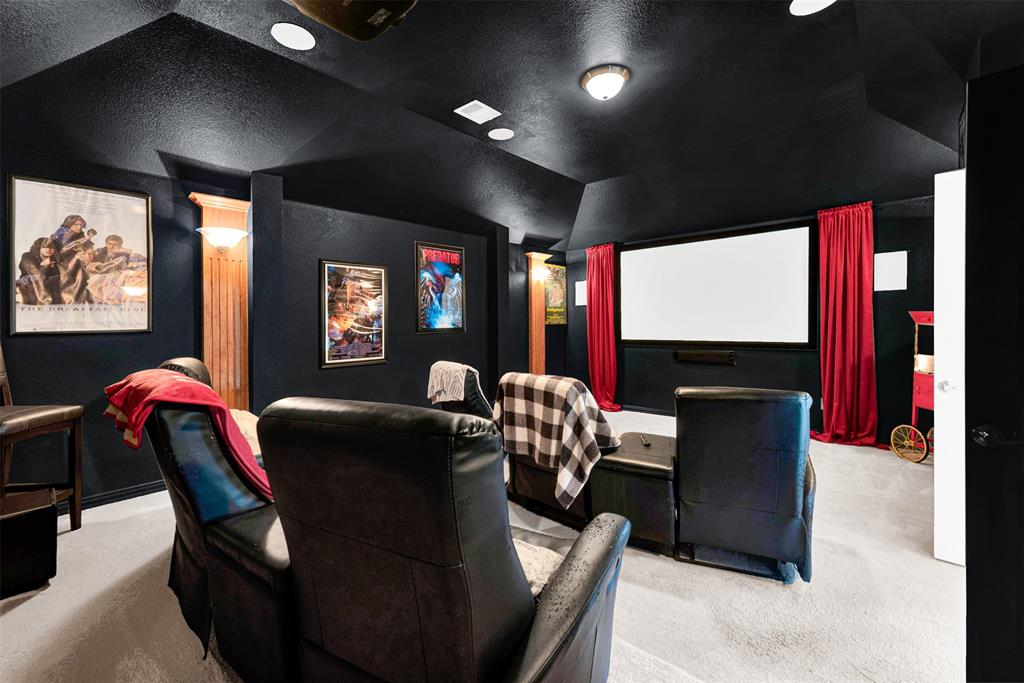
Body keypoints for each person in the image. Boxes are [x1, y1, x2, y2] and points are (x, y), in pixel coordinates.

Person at [16, 237, 62, 305]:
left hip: (49, 286)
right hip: (30, 284)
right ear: (39, 247)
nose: (48, 249)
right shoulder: (27, 256)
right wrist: (44, 265)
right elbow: (37, 274)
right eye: (45, 247)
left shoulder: (55, 259)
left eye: (51, 247)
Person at [60, 240, 96, 304]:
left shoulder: (94, 263)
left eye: (90, 253)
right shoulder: (73, 264)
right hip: (73, 296)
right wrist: (76, 258)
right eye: (84, 253)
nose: (88, 256)